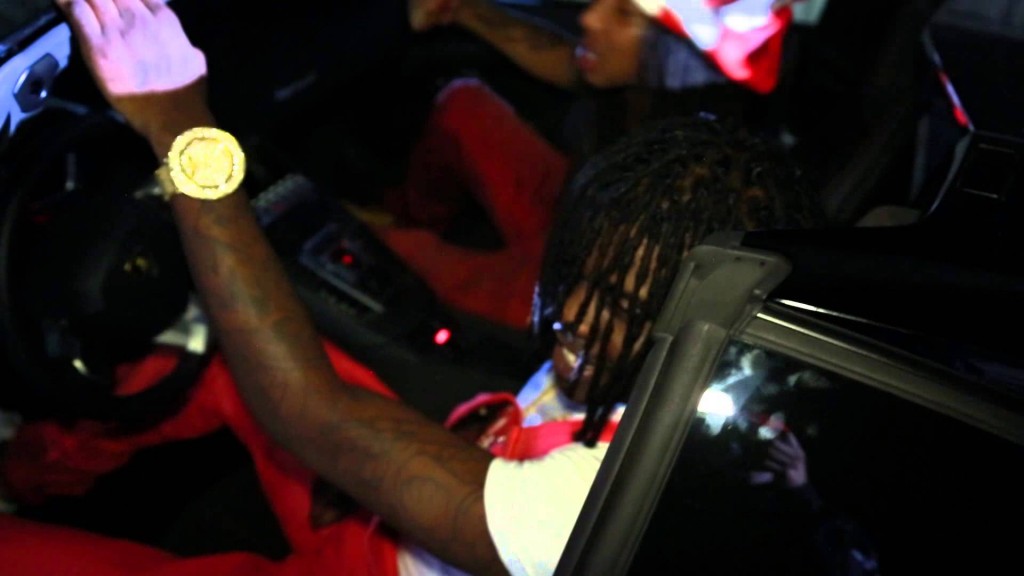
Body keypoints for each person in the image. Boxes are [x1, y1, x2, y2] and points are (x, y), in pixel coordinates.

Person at [0, 1, 822, 574]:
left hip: (391, 547)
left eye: (622, 311)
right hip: (454, 466)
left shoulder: (602, 512)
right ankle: (21, 473)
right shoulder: (701, 362)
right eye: (586, 278)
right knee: (214, 358)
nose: (571, 315)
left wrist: (179, 123)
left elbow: (312, 415)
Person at [370, 0, 799, 328]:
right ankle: (409, 217)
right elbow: (567, 61)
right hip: (573, 210)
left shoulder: (697, 175)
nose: (591, 17)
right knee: (464, 106)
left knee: (398, 253)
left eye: (624, 14)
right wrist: (462, 10)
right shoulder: (638, 81)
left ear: (680, 57)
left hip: (579, 281)